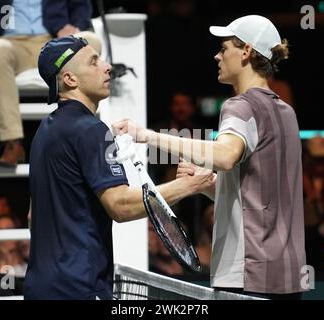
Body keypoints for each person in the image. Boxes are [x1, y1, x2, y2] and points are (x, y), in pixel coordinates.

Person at [113, 15, 306, 299]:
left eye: (224, 48)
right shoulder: (287, 113)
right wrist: (207, 186)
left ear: (246, 51)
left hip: (247, 275)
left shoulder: (240, 106)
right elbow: (261, 198)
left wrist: (146, 135)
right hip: (288, 275)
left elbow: (226, 156)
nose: (217, 55)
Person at [23, 36, 214, 300]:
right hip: (80, 289)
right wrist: (189, 185)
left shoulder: (45, 132)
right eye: (94, 62)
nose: (107, 66)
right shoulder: (90, 130)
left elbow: (34, 216)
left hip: (41, 286)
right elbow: (121, 206)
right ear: (70, 79)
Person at [0, 0, 99, 166]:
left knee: (90, 41)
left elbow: (81, 5)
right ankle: (12, 143)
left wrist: (75, 27)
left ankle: (85, 137)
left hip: (54, 41)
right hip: (11, 42)